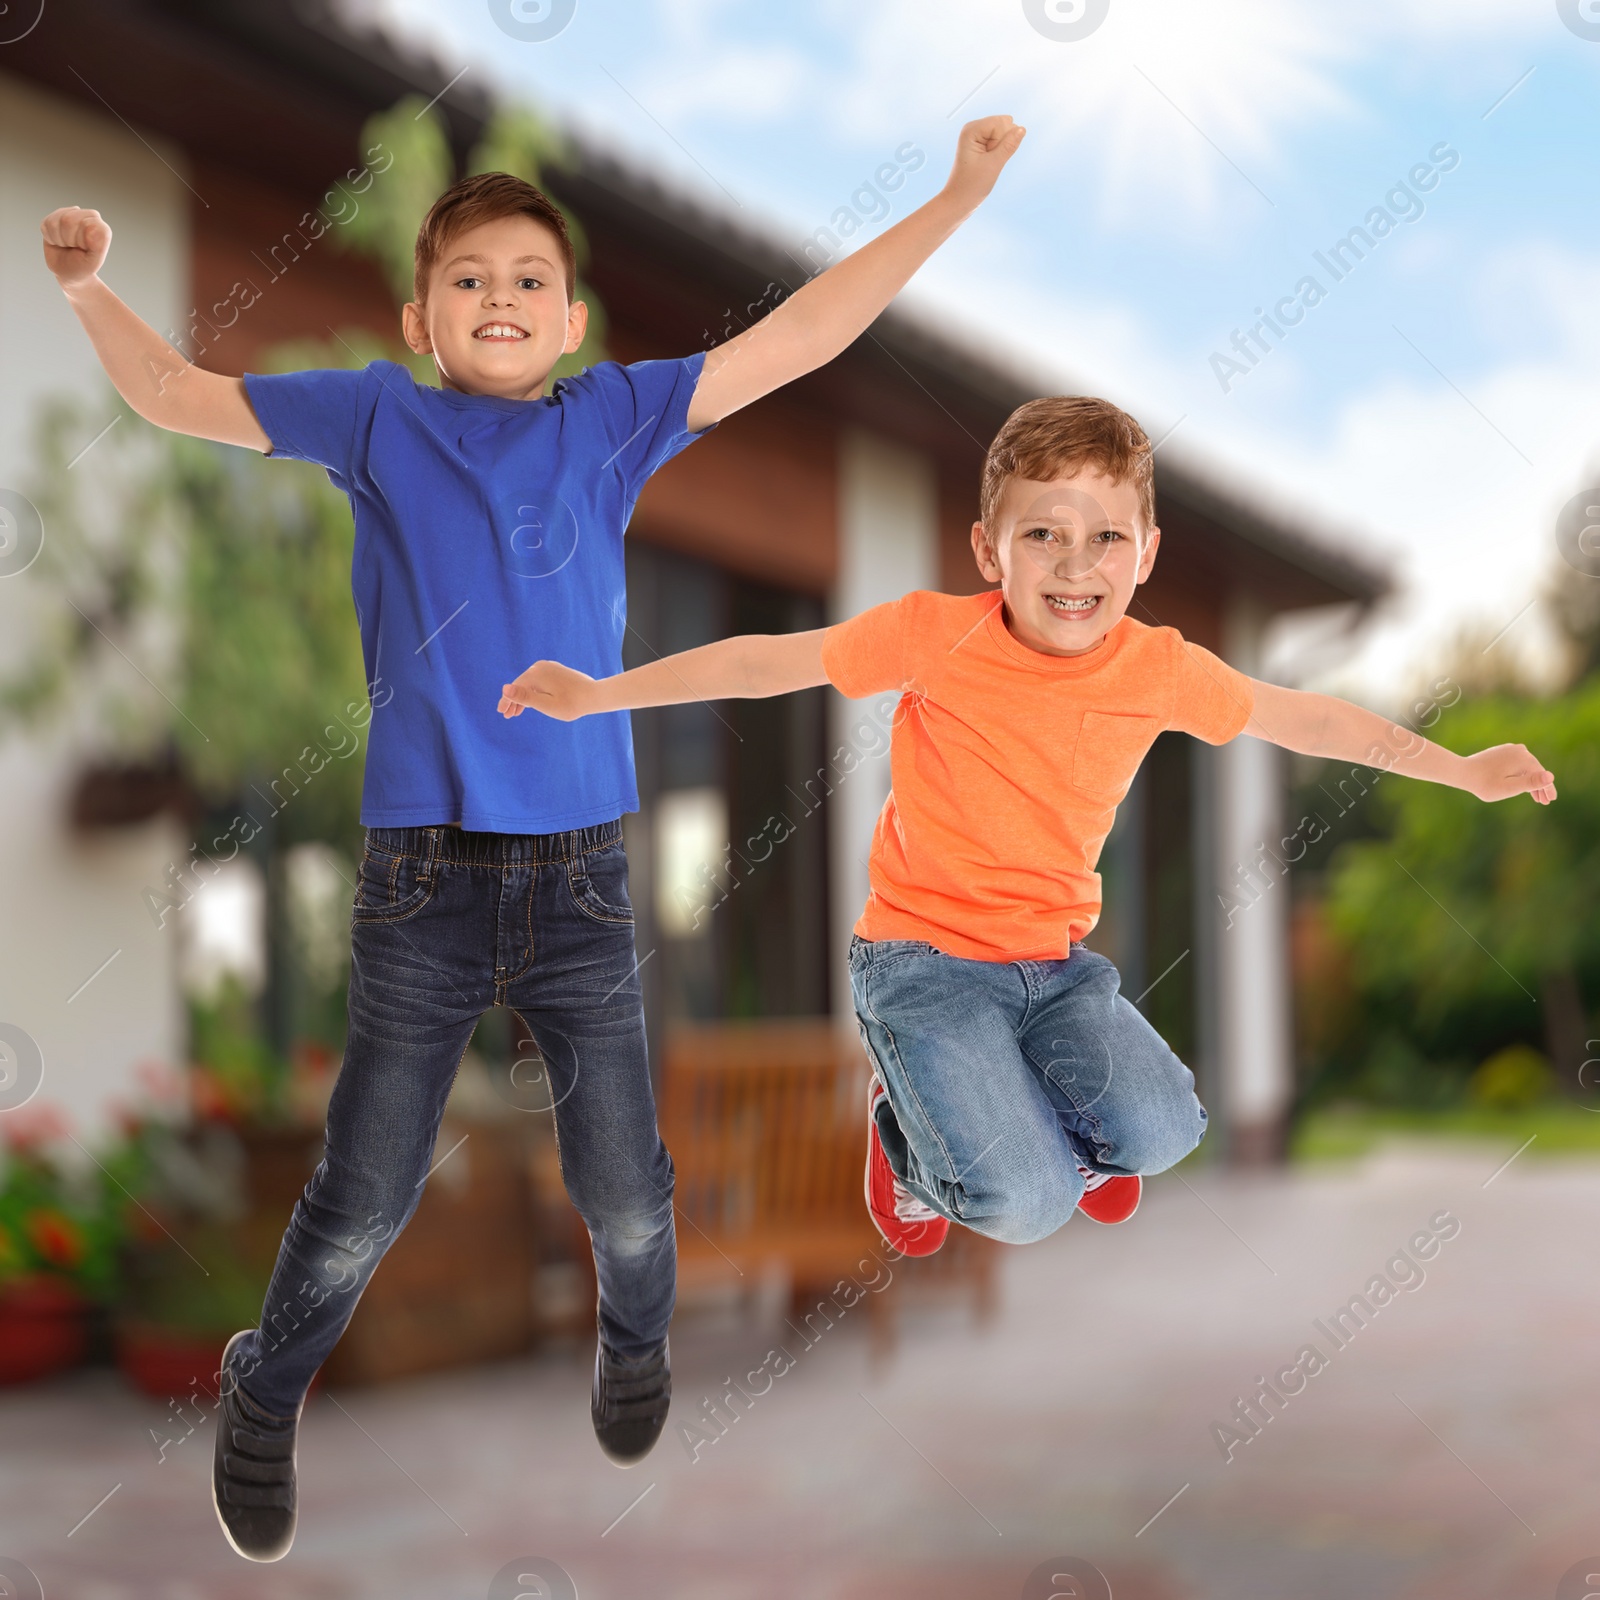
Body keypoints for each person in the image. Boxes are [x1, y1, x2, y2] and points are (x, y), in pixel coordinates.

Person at [39, 113, 1027, 1562]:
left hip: (578, 880)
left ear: (572, 321)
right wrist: (83, 291)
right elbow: (181, 396)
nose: (499, 298)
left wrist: (956, 195)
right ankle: (267, 1387)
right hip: (422, 882)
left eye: (527, 281)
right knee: (362, 1195)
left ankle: (635, 1345)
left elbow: (806, 336)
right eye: (468, 280)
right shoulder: (378, 417)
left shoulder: (611, 422)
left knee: (627, 1196)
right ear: (417, 316)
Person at [501, 394, 1557, 1263]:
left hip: (1053, 969)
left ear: (1144, 553)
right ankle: (903, 1146)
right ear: (988, 548)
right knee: (1028, 1205)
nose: (1073, 564)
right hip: (919, 963)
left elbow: (1308, 717)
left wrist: (1458, 769)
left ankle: (1038, 1132)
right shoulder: (934, 635)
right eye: (1041, 533)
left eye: (1104, 537)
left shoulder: (1159, 668)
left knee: (1167, 1129)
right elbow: (760, 664)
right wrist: (597, 695)